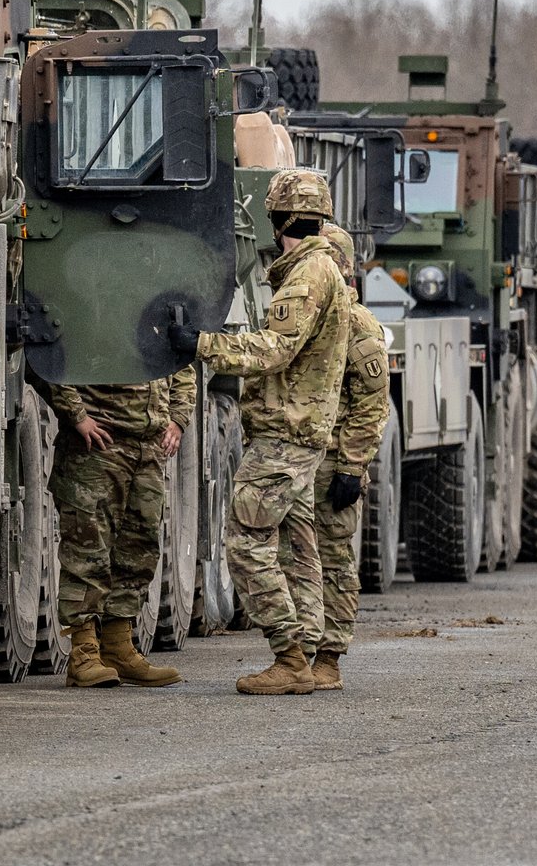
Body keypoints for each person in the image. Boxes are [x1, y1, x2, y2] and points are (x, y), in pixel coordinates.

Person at [169, 169, 350, 695]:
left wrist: (202, 344)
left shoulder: (308, 274)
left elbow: (276, 348)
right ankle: (312, 654)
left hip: (284, 438)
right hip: (300, 436)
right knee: (298, 546)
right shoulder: (319, 270)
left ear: (280, 220)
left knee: (244, 544)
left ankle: (289, 656)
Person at [45, 368, 196, 688]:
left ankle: (118, 647)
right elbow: (51, 358)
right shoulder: (93, 314)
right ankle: (84, 654)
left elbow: (182, 362)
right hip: (99, 443)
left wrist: (178, 418)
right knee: (88, 551)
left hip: (148, 448)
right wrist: (76, 414)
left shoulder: (157, 315)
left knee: (137, 551)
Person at [292, 223, 391, 691]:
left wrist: (352, 466)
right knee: (294, 558)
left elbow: (372, 403)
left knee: (333, 560)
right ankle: (296, 651)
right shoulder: (303, 314)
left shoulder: (357, 324)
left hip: (334, 463)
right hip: (299, 455)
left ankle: (329, 656)